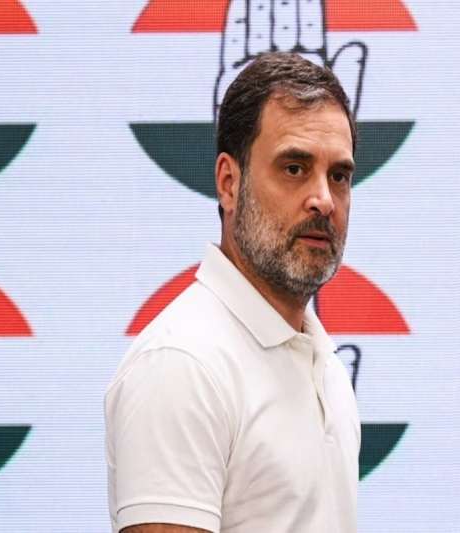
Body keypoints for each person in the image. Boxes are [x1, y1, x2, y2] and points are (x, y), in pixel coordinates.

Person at [105, 52, 360, 533]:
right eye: (294, 168)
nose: (324, 200)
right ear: (228, 182)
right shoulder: (182, 363)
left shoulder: (325, 364)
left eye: (339, 176)